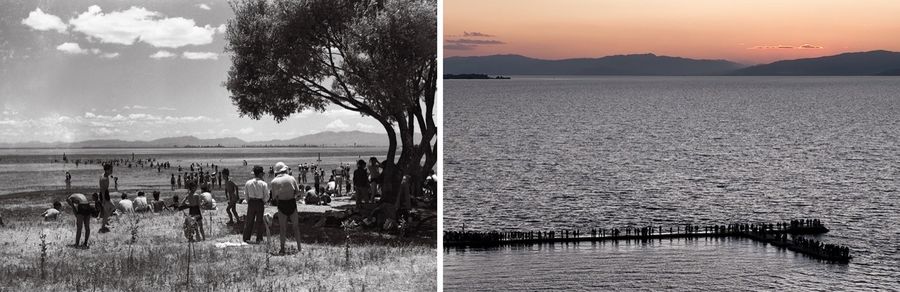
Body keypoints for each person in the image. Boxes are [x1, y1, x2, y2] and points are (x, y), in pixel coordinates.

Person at [270, 162, 302, 254]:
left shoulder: (274, 181)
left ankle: (282, 249)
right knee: (296, 227)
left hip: (282, 204)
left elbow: (273, 197)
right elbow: (297, 192)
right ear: (285, 170)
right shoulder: (291, 178)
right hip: (291, 203)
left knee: (282, 228)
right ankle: (299, 248)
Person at [243, 166, 269, 244]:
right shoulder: (264, 184)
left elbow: (246, 194)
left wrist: (249, 201)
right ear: (261, 174)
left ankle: (246, 238)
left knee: (249, 221)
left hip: (251, 202)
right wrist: (263, 201)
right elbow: (266, 195)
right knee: (259, 221)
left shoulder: (248, 182)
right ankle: (259, 238)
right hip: (259, 202)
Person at [98, 164, 113, 233]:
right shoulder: (105, 178)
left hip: (105, 194)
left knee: (110, 208)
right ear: (107, 170)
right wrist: (103, 199)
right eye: (111, 170)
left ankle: (105, 221)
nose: (112, 171)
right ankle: (103, 226)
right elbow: (102, 189)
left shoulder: (104, 175)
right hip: (104, 195)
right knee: (109, 210)